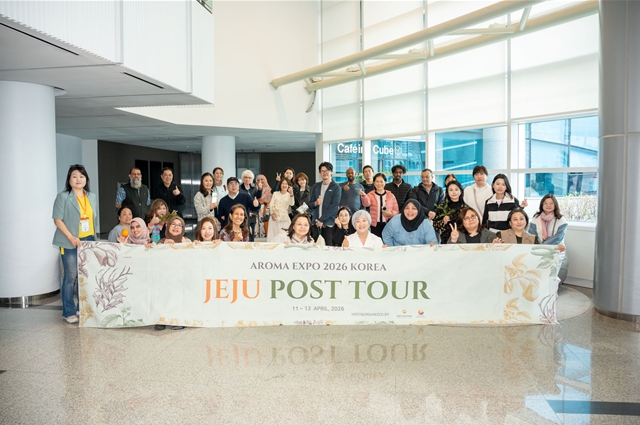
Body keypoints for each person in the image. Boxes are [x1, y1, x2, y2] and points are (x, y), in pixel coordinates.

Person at [52, 164, 97, 324]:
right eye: (75, 176)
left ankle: (82, 309)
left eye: (81, 176)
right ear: (69, 179)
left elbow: (92, 219)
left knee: (84, 276)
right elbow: (57, 219)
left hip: (88, 240)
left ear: (86, 179)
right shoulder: (63, 197)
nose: (78, 179)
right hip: (69, 241)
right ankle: (68, 312)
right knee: (70, 277)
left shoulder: (91, 196)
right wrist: (71, 237)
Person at [529, 194, 569, 283]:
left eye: (551, 203)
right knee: (538, 273)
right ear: (542, 205)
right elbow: (532, 235)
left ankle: (553, 289)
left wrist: (543, 247)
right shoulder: (536, 218)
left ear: (555, 205)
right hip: (538, 249)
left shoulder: (561, 220)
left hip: (556, 249)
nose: (548, 205)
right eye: (546, 203)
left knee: (552, 275)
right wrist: (539, 247)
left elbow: (557, 238)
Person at [309, 162, 342, 246]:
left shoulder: (336, 187)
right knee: (315, 247)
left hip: (329, 223)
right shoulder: (316, 186)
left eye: (327, 170)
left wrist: (321, 220)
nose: (324, 173)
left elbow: (334, 207)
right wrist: (316, 203)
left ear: (331, 172)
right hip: (316, 223)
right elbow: (310, 205)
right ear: (319, 173)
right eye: (322, 171)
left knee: (328, 248)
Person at [360, 173, 399, 238]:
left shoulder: (391, 195)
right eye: (377, 181)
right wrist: (364, 196)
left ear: (385, 182)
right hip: (375, 225)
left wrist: (390, 214)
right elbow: (366, 204)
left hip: (388, 224)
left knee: (386, 241)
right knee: (376, 241)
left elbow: (396, 211)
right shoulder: (370, 194)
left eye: (381, 181)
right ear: (374, 183)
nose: (379, 184)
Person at [239, 169, 264, 241]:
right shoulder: (239, 188)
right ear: (243, 178)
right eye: (245, 177)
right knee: (243, 233)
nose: (247, 179)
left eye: (249, 178)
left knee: (251, 233)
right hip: (243, 214)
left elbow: (257, 197)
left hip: (252, 214)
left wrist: (260, 189)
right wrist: (247, 212)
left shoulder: (253, 188)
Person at [255, 174, 272, 238]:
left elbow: (271, 200)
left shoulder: (269, 189)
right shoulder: (254, 189)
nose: (260, 181)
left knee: (265, 226)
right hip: (257, 209)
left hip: (266, 210)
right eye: (258, 180)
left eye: (262, 179)